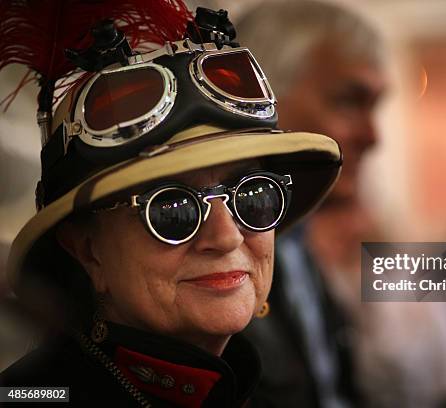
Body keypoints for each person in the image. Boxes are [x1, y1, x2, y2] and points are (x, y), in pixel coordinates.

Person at [0, 3, 341, 407]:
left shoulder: (249, 385)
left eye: (254, 196)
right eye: (172, 210)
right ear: (88, 250)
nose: (227, 236)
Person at [236, 2, 385, 407]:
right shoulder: (217, 257)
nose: (374, 136)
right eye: (349, 101)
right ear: (259, 98)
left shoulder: (293, 237)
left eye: (376, 105)